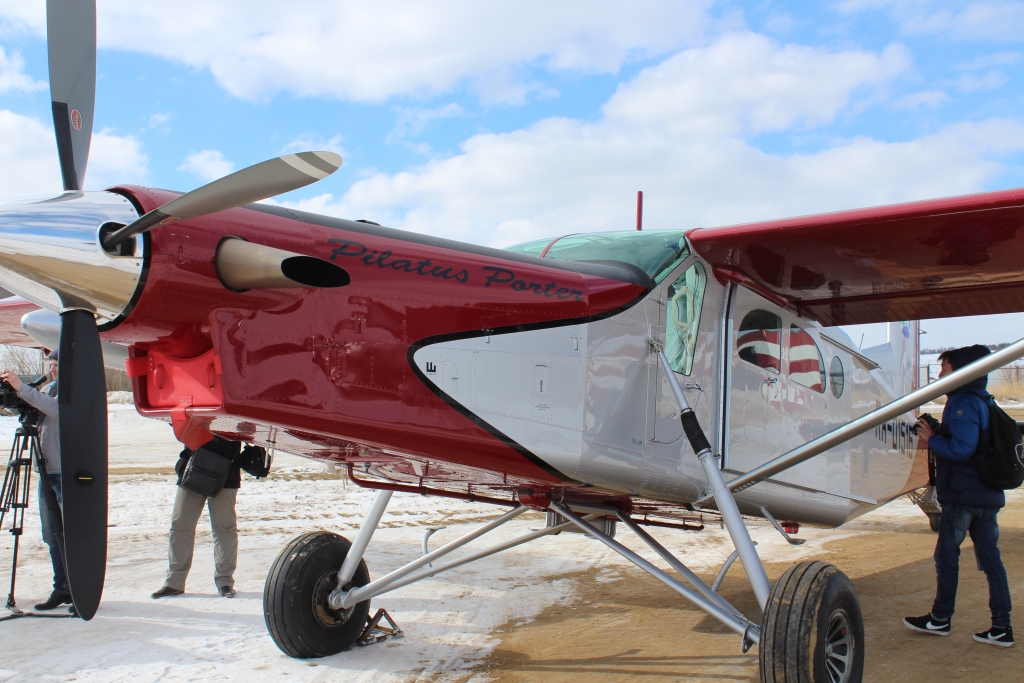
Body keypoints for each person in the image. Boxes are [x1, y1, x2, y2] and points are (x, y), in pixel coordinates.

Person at [904, 344, 1014, 647]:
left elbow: (962, 449)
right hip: (986, 496)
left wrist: (932, 438)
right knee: (991, 561)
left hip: (965, 496)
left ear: (962, 370)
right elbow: (974, 442)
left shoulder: (963, 402)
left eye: (945, 368)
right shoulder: (981, 399)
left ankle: (940, 619)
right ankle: (1002, 627)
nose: (940, 374)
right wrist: (940, 430)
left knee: (946, 556)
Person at [151, 438, 269, 599]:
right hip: (194, 467)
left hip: (227, 470)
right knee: (180, 526)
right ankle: (174, 582)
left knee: (224, 529)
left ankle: (225, 582)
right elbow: (178, 422)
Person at [0, 351, 71, 611]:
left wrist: (22, 388)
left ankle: (78, 588)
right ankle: (62, 588)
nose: (52, 370)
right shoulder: (50, 387)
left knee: (69, 534)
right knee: (52, 535)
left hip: (64, 471)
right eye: (50, 366)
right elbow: (39, 410)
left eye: (56, 365)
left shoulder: (74, 388)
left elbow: (56, 410)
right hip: (47, 469)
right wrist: (16, 396)